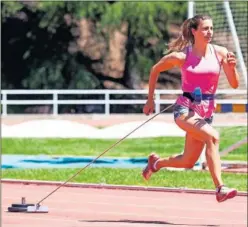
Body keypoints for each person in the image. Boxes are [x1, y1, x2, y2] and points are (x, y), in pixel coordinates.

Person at [142, 14, 240, 203]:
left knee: (188, 161)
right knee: (213, 137)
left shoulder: (220, 53)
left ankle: (156, 163)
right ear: (194, 31)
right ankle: (220, 188)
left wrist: (232, 67)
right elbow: (155, 69)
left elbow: (234, 84)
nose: (209, 32)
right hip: (185, 109)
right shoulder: (182, 56)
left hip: (206, 112)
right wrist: (150, 100)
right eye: (205, 28)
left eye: (211, 28)